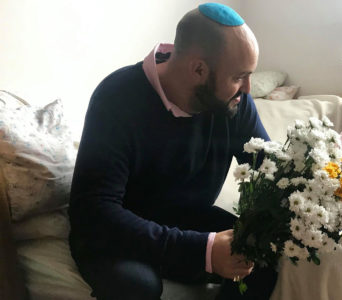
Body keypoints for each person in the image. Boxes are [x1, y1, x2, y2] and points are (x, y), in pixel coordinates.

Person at [68, 3, 275, 300]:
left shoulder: (236, 105)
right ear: (198, 69)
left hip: (186, 222)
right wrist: (202, 251)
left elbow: (270, 166)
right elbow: (94, 213)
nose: (247, 88)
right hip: (120, 231)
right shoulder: (117, 98)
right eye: (238, 77)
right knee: (136, 287)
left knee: (261, 251)